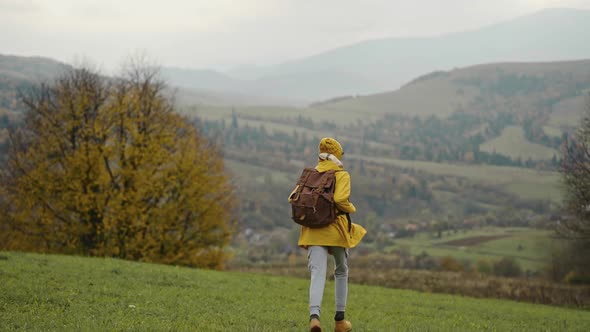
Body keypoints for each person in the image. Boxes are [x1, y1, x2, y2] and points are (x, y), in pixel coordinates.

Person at [291, 137, 367, 332]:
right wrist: (352, 208)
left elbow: (294, 197)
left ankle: (314, 317)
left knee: (317, 273)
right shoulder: (341, 174)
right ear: (338, 156)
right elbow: (341, 199)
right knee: (341, 270)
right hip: (335, 230)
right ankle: (340, 321)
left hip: (312, 230)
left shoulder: (311, 175)